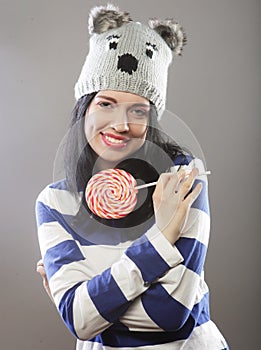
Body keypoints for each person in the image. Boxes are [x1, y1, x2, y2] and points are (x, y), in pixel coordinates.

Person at [35, 4, 229, 349]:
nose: (121, 124)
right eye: (106, 103)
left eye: (138, 110)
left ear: (151, 119)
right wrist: (163, 236)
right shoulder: (56, 201)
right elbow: (79, 318)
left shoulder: (182, 179)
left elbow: (170, 313)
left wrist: (90, 308)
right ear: (85, 107)